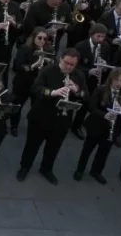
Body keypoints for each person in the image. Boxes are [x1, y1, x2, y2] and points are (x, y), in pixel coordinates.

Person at [18, 49, 88, 185]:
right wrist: (52, 92)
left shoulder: (79, 75)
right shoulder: (48, 70)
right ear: (60, 59)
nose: (69, 67)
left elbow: (86, 96)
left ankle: (46, 169)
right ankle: (25, 167)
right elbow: (35, 89)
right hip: (41, 117)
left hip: (62, 120)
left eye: (72, 65)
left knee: (53, 147)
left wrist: (77, 91)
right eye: (66, 63)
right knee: (32, 145)